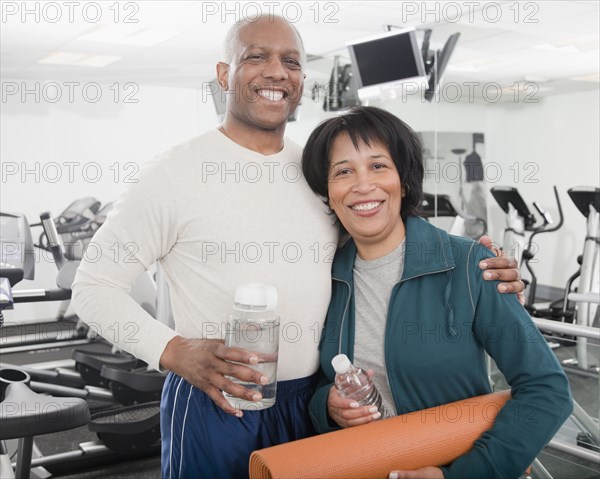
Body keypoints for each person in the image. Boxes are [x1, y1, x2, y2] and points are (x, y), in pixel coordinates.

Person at [71, 15, 525, 479]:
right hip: (220, 401)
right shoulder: (172, 173)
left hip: (311, 403)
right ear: (225, 75)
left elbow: (385, 244)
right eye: (256, 57)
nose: (276, 72)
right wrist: (173, 351)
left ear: (302, 82)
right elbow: (92, 288)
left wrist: (480, 270)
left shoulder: (319, 170)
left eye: (291, 61)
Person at [302, 106, 572, 479]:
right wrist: (327, 407)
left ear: (405, 179)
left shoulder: (470, 265)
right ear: (328, 192)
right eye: (343, 171)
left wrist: (465, 474)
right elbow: (318, 381)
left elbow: (548, 389)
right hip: (359, 466)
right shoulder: (325, 276)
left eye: (378, 166)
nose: (363, 184)